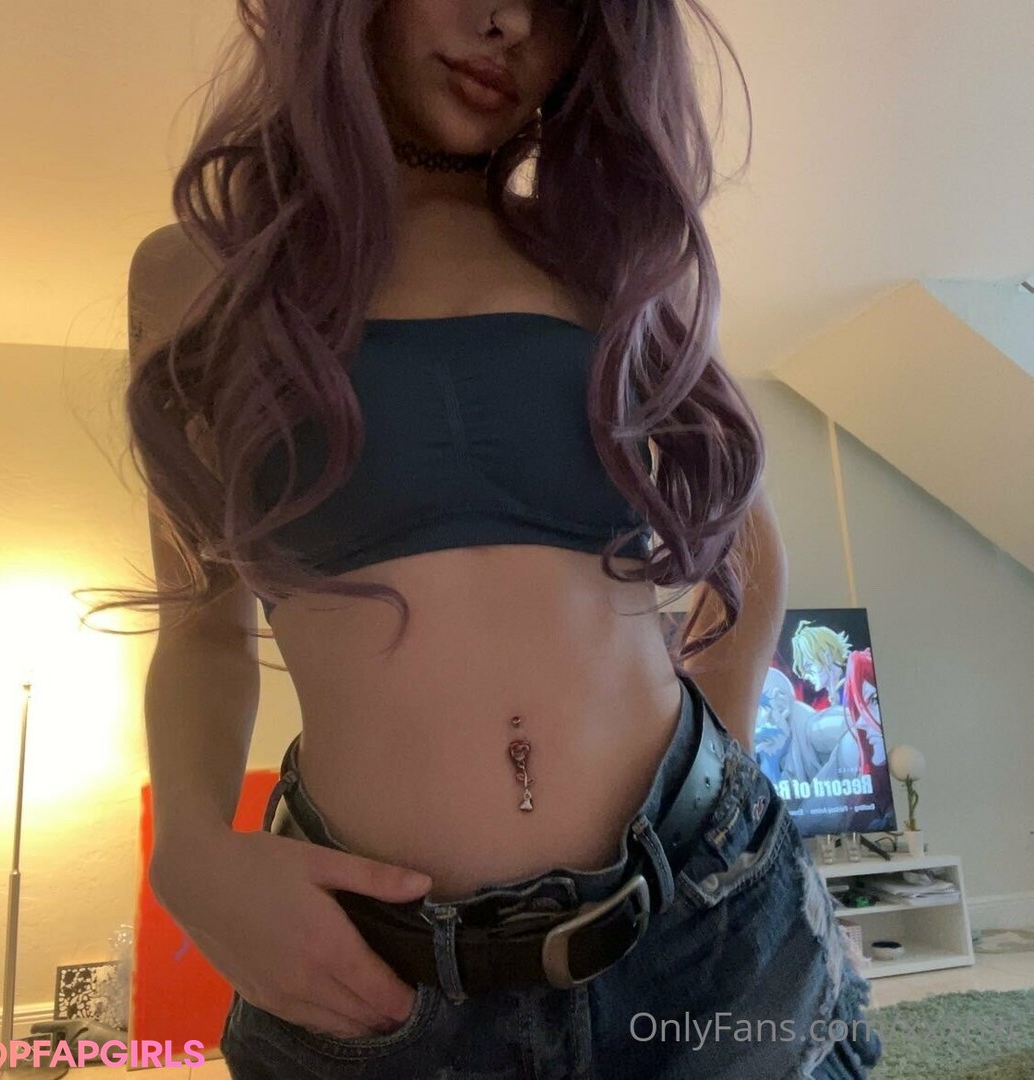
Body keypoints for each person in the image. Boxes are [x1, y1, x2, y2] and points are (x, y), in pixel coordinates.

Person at [118, 1, 884, 1076]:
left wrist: (712, 804)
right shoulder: (194, 276)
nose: (509, 21)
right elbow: (201, 628)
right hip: (380, 984)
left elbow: (747, 556)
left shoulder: (611, 262)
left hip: (704, 932)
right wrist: (190, 853)